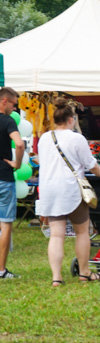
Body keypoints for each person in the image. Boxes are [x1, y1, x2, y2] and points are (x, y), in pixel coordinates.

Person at [34, 97, 100, 287]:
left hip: (49, 188)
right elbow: (92, 165)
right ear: (70, 119)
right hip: (72, 189)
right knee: (82, 232)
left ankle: (56, 277)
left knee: (56, 235)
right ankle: (84, 272)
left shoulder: (44, 138)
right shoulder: (77, 138)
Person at [0, 87, 25, 279]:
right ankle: (1, 270)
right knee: (6, 223)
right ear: (4, 101)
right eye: (14, 104)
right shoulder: (7, 121)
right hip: (3, 177)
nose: (15, 109)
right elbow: (19, 143)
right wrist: (17, 163)